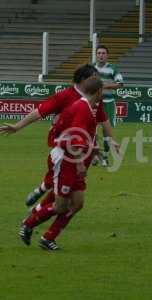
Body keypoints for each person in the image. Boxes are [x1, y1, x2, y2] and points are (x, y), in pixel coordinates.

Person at [0, 64, 118, 209]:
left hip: (85, 149)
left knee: (68, 184)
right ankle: (38, 209)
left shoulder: (95, 98)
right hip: (65, 146)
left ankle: (40, 199)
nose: (97, 80)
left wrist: (112, 141)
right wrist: (18, 126)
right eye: (94, 77)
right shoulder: (65, 95)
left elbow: (104, 121)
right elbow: (39, 112)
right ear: (82, 80)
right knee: (64, 182)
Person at [19, 77, 104, 250]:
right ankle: (29, 223)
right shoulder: (82, 108)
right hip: (67, 160)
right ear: (99, 92)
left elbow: (76, 133)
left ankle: (47, 238)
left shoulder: (87, 107)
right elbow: (74, 137)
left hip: (73, 157)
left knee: (77, 203)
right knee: (60, 206)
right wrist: (80, 163)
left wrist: (92, 148)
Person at [94, 45, 124, 167]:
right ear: (96, 55)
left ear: (107, 55)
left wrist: (104, 85)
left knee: (107, 131)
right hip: (94, 103)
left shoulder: (113, 69)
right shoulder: (91, 68)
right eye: (99, 53)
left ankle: (105, 157)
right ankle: (95, 154)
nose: (101, 55)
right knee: (91, 129)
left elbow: (120, 84)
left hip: (109, 103)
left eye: (103, 53)